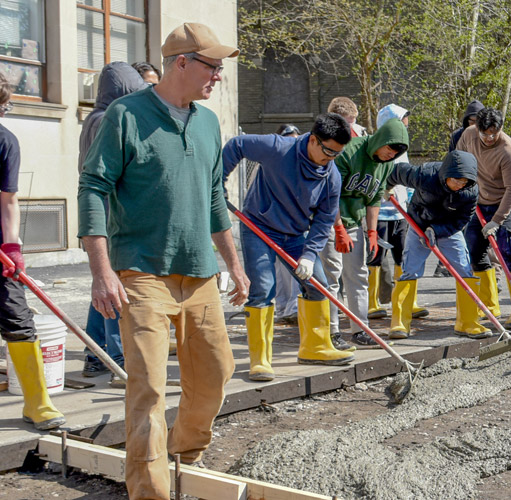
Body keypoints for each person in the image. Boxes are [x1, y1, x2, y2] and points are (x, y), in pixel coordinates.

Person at [78, 23, 248, 499]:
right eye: (212, 67)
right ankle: (149, 490)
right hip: (141, 271)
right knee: (149, 388)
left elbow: (216, 196)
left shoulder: (210, 123)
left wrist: (233, 264)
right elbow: (93, 187)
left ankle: (184, 453)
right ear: (182, 63)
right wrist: (101, 271)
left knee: (217, 371)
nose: (218, 77)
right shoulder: (125, 116)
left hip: (200, 274)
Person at [222, 113, 355, 382]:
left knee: (317, 283)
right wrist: (218, 183)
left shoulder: (332, 177)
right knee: (263, 288)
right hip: (259, 227)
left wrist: (308, 254)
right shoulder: (277, 148)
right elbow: (237, 145)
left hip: (295, 235)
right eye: (328, 151)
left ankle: (314, 347)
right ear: (314, 140)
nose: (331, 158)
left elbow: (324, 220)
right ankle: (260, 360)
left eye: (337, 154)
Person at [0, 73, 66, 431]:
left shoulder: (4, 141)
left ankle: (38, 403)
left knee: (18, 319)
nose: (4, 113)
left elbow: (8, 199)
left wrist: (12, 246)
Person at [77, 62, 146, 377]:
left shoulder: (94, 118)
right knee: (115, 288)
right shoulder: (107, 120)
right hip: (111, 220)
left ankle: (95, 354)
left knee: (103, 288)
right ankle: (117, 357)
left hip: (102, 218)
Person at [320, 118, 409, 346]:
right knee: (331, 275)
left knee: (358, 273)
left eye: (397, 153)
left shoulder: (386, 164)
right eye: (391, 148)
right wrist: (338, 228)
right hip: (328, 219)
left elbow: (374, 199)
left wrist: (371, 232)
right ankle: (331, 332)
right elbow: (330, 194)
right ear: (382, 140)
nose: (392, 155)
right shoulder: (349, 152)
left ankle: (360, 328)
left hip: (354, 221)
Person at [385, 150, 487, 339]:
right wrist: (387, 187)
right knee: (410, 270)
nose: (459, 185)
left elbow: (463, 219)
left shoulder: (470, 191)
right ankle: (400, 323)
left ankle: (467, 322)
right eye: (456, 180)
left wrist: (437, 231)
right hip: (419, 224)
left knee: (464, 270)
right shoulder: (425, 175)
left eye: (464, 182)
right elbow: (396, 171)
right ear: (446, 174)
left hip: (449, 230)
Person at [457, 107, 511, 330]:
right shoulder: (468, 135)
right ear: (477, 128)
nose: (489, 138)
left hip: (508, 203)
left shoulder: (509, 151)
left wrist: (497, 221)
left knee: (510, 252)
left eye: (493, 134)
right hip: (479, 201)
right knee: (475, 251)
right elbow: (459, 161)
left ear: (500, 129)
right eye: (484, 133)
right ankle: (489, 304)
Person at [369, 104, 429, 321]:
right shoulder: (376, 147)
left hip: (401, 214)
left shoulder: (402, 149)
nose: (406, 125)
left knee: (404, 257)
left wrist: (413, 199)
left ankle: (405, 302)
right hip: (381, 213)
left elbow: (407, 179)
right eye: (402, 120)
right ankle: (372, 303)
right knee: (374, 257)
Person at [437, 99, 484, 278]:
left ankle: (490, 270)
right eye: (470, 121)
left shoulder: (486, 134)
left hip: (481, 184)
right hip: (462, 184)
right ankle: (446, 264)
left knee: (479, 230)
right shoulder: (458, 136)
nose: (473, 125)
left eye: (476, 121)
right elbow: (453, 157)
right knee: (457, 223)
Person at [271, 123, 303, 326]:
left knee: (294, 265)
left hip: (294, 221)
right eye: (288, 139)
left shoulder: (301, 161)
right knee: (281, 268)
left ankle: (292, 307)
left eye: (295, 139)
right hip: (276, 221)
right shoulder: (272, 162)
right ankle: (283, 307)